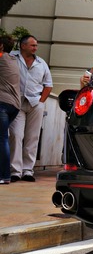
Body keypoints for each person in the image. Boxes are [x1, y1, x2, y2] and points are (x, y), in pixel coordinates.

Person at [9, 35, 53, 182]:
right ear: (22, 46)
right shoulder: (12, 58)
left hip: (35, 103)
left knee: (32, 137)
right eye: (32, 45)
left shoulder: (41, 63)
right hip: (17, 103)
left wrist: (41, 102)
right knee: (16, 135)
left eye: (36, 45)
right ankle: (15, 171)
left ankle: (28, 170)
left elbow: (48, 85)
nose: (35, 48)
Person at [0, 36, 21, 184]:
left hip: (3, 104)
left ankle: (4, 176)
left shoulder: (2, 60)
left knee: (2, 139)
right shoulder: (13, 60)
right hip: (14, 105)